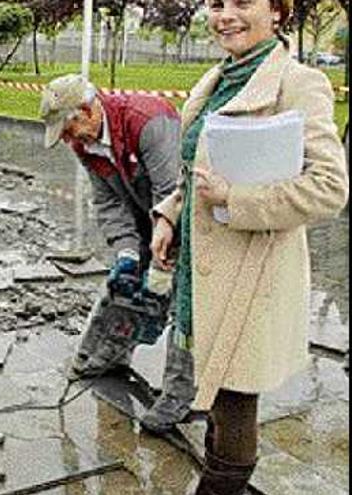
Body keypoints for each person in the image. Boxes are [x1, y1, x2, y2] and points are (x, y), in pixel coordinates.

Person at [148, 0, 348, 493]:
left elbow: (329, 187)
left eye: (242, 2)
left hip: (251, 278)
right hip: (202, 271)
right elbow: (195, 173)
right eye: (216, 4)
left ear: (278, 11)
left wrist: (236, 200)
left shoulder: (298, 83)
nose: (225, 15)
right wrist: (169, 216)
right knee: (213, 395)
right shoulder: (218, 78)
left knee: (235, 406)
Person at [40, 74, 196, 433]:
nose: (67, 139)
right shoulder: (85, 144)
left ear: (87, 109)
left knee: (181, 302)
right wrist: (126, 252)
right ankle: (107, 356)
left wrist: (161, 265)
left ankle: (178, 394)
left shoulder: (147, 121)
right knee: (122, 285)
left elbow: (172, 194)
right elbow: (109, 202)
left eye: (67, 128)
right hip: (145, 219)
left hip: (187, 216)